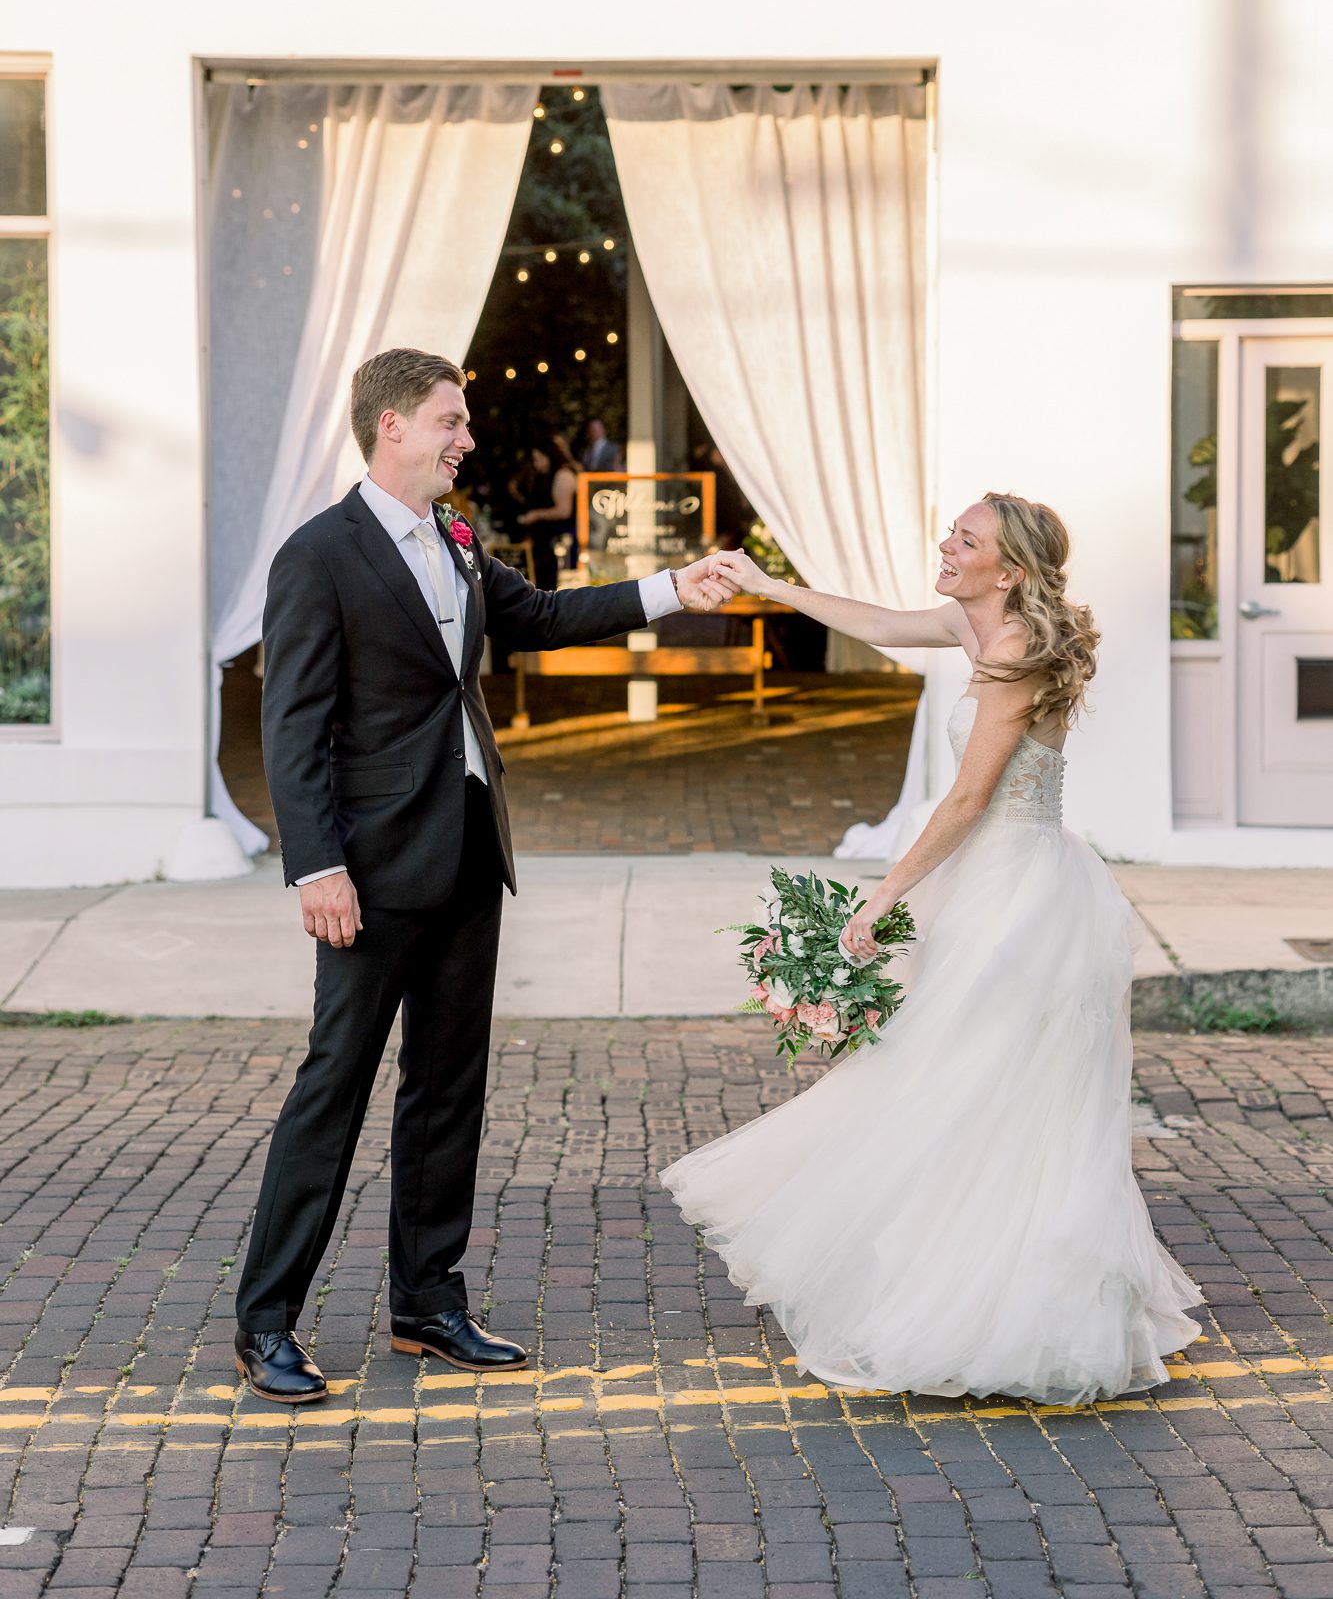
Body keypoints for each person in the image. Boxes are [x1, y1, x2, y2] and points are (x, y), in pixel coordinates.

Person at [234, 349, 730, 1404]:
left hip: (466, 849)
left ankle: (427, 1302)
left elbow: (542, 617)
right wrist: (315, 863)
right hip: (367, 871)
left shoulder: (458, 540)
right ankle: (265, 1319)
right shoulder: (317, 554)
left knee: (448, 1086)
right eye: (451, 420)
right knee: (334, 1088)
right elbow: (294, 729)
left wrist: (670, 587)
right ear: (392, 427)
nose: (467, 437)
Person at [662, 493, 1203, 1405]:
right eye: (951, 533)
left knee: (973, 1088)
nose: (945, 547)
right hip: (988, 887)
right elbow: (873, 620)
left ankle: (1002, 1301)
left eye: (966, 540)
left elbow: (964, 803)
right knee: (967, 1086)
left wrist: (879, 897)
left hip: (1017, 901)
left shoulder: (1016, 653)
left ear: (1011, 570)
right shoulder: (973, 621)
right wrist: (767, 584)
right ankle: (955, 1271)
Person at [512, 431, 580, 587]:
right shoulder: (548, 475)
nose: (537, 464)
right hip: (547, 543)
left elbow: (564, 511)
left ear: (549, 455)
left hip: (561, 543)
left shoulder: (564, 474)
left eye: (538, 459)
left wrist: (535, 515)